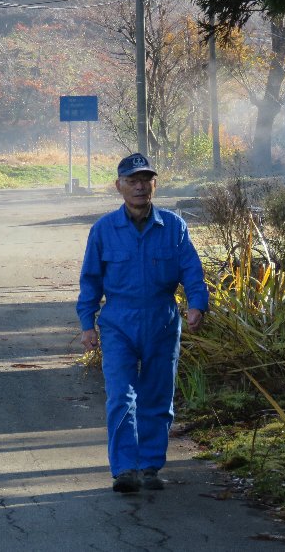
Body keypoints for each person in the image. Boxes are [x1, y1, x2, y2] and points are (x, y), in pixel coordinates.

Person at [76, 152, 208, 494]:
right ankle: (125, 469)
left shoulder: (174, 227)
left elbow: (191, 270)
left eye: (145, 181)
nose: (139, 187)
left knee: (157, 397)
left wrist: (197, 304)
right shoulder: (104, 230)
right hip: (119, 323)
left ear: (154, 185)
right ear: (119, 186)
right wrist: (87, 323)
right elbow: (90, 280)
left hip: (162, 323)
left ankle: (150, 466)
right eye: (132, 181)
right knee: (121, 395)